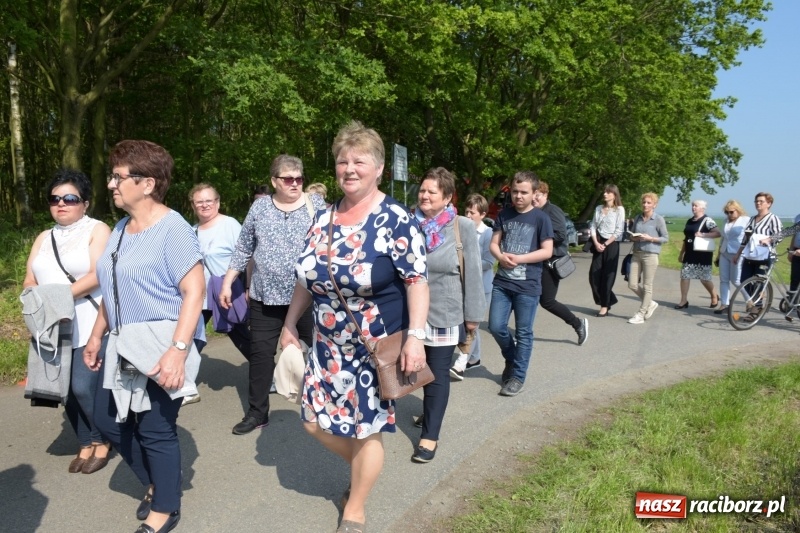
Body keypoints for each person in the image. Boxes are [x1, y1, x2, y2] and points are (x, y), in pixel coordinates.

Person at [281, 121, 429, 533]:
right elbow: (307, 278)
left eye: (359, 161)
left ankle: (355, 507)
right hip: (326, 345)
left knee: (367, 430)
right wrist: (291, 323)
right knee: (312, 420)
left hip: (373, 346)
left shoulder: (394, 218)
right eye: (342, 161)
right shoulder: (323, 217)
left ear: (379, 168)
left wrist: (415, 339)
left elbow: (417, 281)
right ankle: (368, 464)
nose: (349, 168)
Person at [84, 140, 206, 533]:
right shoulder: (121, 229)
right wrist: (95, 336)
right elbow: (113, 286)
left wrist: (178, 352)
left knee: (154, 427)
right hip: (123, 341)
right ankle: (158, 483)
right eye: (113, 176)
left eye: (119, 177)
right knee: (107, 418)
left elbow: (195, 291)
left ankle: (165, 508)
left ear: (148, 183)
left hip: (166, 339)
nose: (111, 185)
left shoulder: (175, 230)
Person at [220, 155, 325, 435]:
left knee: (319, 352)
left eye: (299, 178)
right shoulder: (260, 207)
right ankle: (257, 413)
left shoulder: (316, 205)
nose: (294, 183)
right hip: (265, 298)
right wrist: (229, 281)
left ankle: (323, 405)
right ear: (274, 181)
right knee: (261, 355)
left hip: (306, 297)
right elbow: (244, 247)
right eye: (288, 178)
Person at [23, 169, 111, 474]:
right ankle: (85, 441)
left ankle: (103, 439)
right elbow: (29, 278)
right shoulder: (43, 237)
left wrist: (56, 299)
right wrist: (34, 302)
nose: (61, 204)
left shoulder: (98, 230)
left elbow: (98, 275)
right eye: (55, 199)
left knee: (83, 387)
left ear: (85, 202)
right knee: (63, 389)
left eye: (70, 198)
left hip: (88, 321)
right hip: (51, 326)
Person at [410, 168, 484, 462]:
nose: (424, 196)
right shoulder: (407, 222)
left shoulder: (461, 226)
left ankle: (430, 436)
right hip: (410, 312)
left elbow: (474, 272)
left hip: (444, 311)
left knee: (437, 375)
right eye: (423, 190)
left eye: (432, 192)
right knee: (413, 369)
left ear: (448, 197)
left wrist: (473, 315)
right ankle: (429, 412)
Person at [488, 171, 553, 397]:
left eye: (524, 192)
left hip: (528, 286)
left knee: (524, 332)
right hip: (503, 283)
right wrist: (500, 256)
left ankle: (517, 376)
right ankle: (512, 357)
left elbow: (547, 250)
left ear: (535, 193)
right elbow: (494, 244)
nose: (518, 196)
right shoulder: (504, 215)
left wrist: (519, 259)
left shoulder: (541, 218)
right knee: (496, 326)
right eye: (515, 191)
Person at [185, 183, 249, 405]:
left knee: (240, 335)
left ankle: (268, 374)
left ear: (218, 202)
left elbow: (246, 255)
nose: (204, 205)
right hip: (200, 294)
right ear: (193, 205)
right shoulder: (191, 230)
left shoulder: (229, 224)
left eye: (208, 201)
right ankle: (186, 386)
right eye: (199, 201)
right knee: (192, 335)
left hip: (226, 290)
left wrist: (247, 287)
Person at [532, 181, 588, 343]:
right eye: (533, 196)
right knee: (528, 297)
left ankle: (578, 323)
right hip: (537, 262)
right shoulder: (535, 212)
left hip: (551, 262)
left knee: (547, 301)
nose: (535, 199)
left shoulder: (552, 210)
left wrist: (538, 240)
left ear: (545, 195)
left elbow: (560, 235)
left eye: (538, 196)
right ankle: (523, 334)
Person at [450, 193, 494, 379]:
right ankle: (474, 358)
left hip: (481, 287)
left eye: (472, 213)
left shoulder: (487, 233)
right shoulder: (459, 230)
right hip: (462, 285)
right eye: (466, 211)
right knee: (467, 323)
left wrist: (467, 265)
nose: (468, 216)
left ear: (482, 214)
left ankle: (462, 360)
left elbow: (489, 262)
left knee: (472, 324)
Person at [626, 192, 669, 324]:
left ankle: (641, 313)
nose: (645, 205)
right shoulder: (638, 217)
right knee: (632, 284)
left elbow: (665, 238)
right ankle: (650, 303)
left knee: (647, 285)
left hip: (651, 255)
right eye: (644, 202)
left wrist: (651, 238)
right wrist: (634, 237)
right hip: (636, 253)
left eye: (649, 203)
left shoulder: (658, 219)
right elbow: (630, 236)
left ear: (654, 205)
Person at [675, 199, 721, 309]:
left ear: (702, 208)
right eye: (692, 205)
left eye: (696, 206)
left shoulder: (708, 220)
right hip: (690, 252)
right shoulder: (689, 221)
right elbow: (686, 239)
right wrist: (682, 253)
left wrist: (703, 235)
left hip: (703, 253)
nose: (693, 207)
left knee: (704, 278)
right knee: (685, 276)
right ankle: (683, 300)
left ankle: (714, 295)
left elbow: (718, 233)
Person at [588, 185, 625, 317]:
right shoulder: (598, 208)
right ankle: (609, 299)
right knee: (594, 276)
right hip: (598, 243)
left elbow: (619, 230)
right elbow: (593, 225)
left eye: (608, 192)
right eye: (604, 191)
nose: (605, 194)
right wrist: (596, 242)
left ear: (614, 195)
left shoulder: (619, 210)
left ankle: (604, 305)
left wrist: (605, 244)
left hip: (612, 244)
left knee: (608, 277)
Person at [734, 192, 783, 286]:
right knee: (744, 281)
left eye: (761, 201)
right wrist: (738, 254)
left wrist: (768, 239)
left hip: (764, 255)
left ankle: (758, 299)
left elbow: (780, 235)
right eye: (756, 201)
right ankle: (754, 299)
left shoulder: (773, 218)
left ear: (769, 204)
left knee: (759, 283)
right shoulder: (752, 219)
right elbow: (745, 238)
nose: (758, 203)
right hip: (750, 254)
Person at [713, 200, 750, 315]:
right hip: (725, 252)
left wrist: (743, 252)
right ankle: (724, 304)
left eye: (731, 212)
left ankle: (749, 300)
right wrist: (719, 254)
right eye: (726, 212)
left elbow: (748, 238)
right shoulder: (725, 221)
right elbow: (723, 238)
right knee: (723, 280)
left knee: (736, 280)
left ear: (738, 211)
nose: (729, 214)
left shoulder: (746, 220)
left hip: (737, 252)